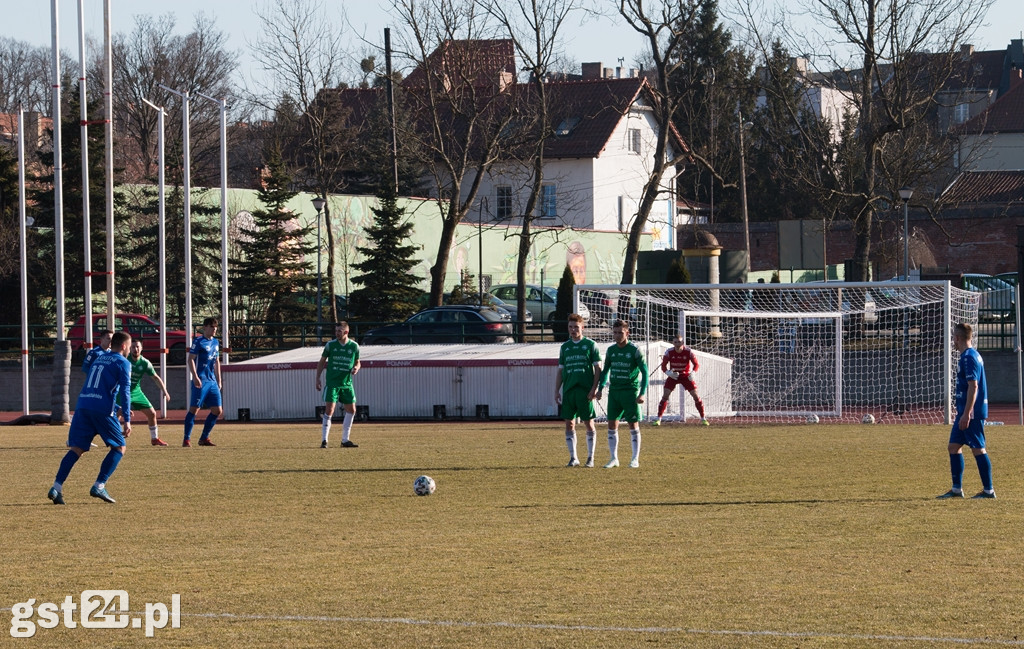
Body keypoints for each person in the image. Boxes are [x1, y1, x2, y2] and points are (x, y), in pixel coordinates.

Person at [47, 331, 133, 505]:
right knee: (119, 448)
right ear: (124, 346)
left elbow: (97, 385)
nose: (130, 350)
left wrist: (116, 407)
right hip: (101, 410)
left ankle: (56, 487)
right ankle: (99, 485)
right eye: (130, 347)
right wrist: (127, 418)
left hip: (83, 406)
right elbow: (124, 391)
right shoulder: (123, 362)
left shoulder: (99, 358)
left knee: (76, 449)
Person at [938, 322, 995, 499]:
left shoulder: (969, 357)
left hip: (971, 413)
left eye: (953, 337)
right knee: (953, 447)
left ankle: (988, 490)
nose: (952, 340)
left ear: (958, 338)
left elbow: (973, 386)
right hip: (965, 412)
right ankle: (956, 489)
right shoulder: (970, 355)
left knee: (978, 448)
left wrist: (967, 413)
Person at [596, 320, 648, 468]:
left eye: (620, 332)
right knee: (611, 424)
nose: (617, 335)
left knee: (633, 424)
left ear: (627, 333)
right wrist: (600, 389)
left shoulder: (635, 350)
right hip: (614, 392)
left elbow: (645, 373)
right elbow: (605, 371)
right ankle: (614, 459)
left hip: (630, 392)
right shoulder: (611, 350)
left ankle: (635, 459)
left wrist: (642, 393)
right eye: (615, 332)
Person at [555, 313, 602, 467]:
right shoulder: (565, 347)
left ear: (583, 327)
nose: (573, 330)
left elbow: (598, 368)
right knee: (569, 423)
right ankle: (573, 458)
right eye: (570, 327)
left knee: (589, 423)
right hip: (569, 391)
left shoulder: (590, 345)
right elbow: (560, 371)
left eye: (576, 327)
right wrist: (556, 391)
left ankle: (591, 457)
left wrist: (594, 388)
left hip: (585, 391)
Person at [315, 321, 361, 448]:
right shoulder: (331, 345)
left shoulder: (354, 346)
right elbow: (321, 362)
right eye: (336, 331)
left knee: (352, 410)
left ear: (346, 332)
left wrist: (356, 368)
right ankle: (324, 440)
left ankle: (345, 440)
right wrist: (317, 378)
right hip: (333, 383)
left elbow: (358, 362)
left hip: (346, 384)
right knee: (330, 410)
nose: (336, 333)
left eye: (339, 331)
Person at [652, 335, 708, 426]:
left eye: (679, 342)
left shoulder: (688, 351)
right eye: (675, 342)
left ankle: (703, 418)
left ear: (683, 343)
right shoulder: (669, 352)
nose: (677, 344)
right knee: (665, 395)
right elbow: (663, 366)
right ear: (673, 343)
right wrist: (669, 373)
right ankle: (658, 419)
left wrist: (693, 373)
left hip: (685, 376)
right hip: (673, 376)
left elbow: (696, 364)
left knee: (696, 395)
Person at [183, 317, 222, 447]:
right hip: (201, 380)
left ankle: (204, 438)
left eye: (215, 327)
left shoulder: (216, 342)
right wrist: (195, 376)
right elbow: (190, 359)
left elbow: (216, 361)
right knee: (194, 409)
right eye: (211, 327)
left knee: (217, 410)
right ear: (205, 327)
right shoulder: (198, 341)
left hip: (212, 381)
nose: (214, 329)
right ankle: (186, 439)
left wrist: (219, 380)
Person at [127, 339, 172, 446]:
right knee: (117, 415)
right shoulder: (125, 359)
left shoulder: (145, 363)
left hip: (136, 391)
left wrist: (165, 391)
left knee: (152, 414)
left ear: (141, 348)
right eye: (133, 347)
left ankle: (154, 439)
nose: (135, 349)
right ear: (129, 349)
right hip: (122, 391)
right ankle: (113, 439)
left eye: (137, 347)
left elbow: (155, 378)